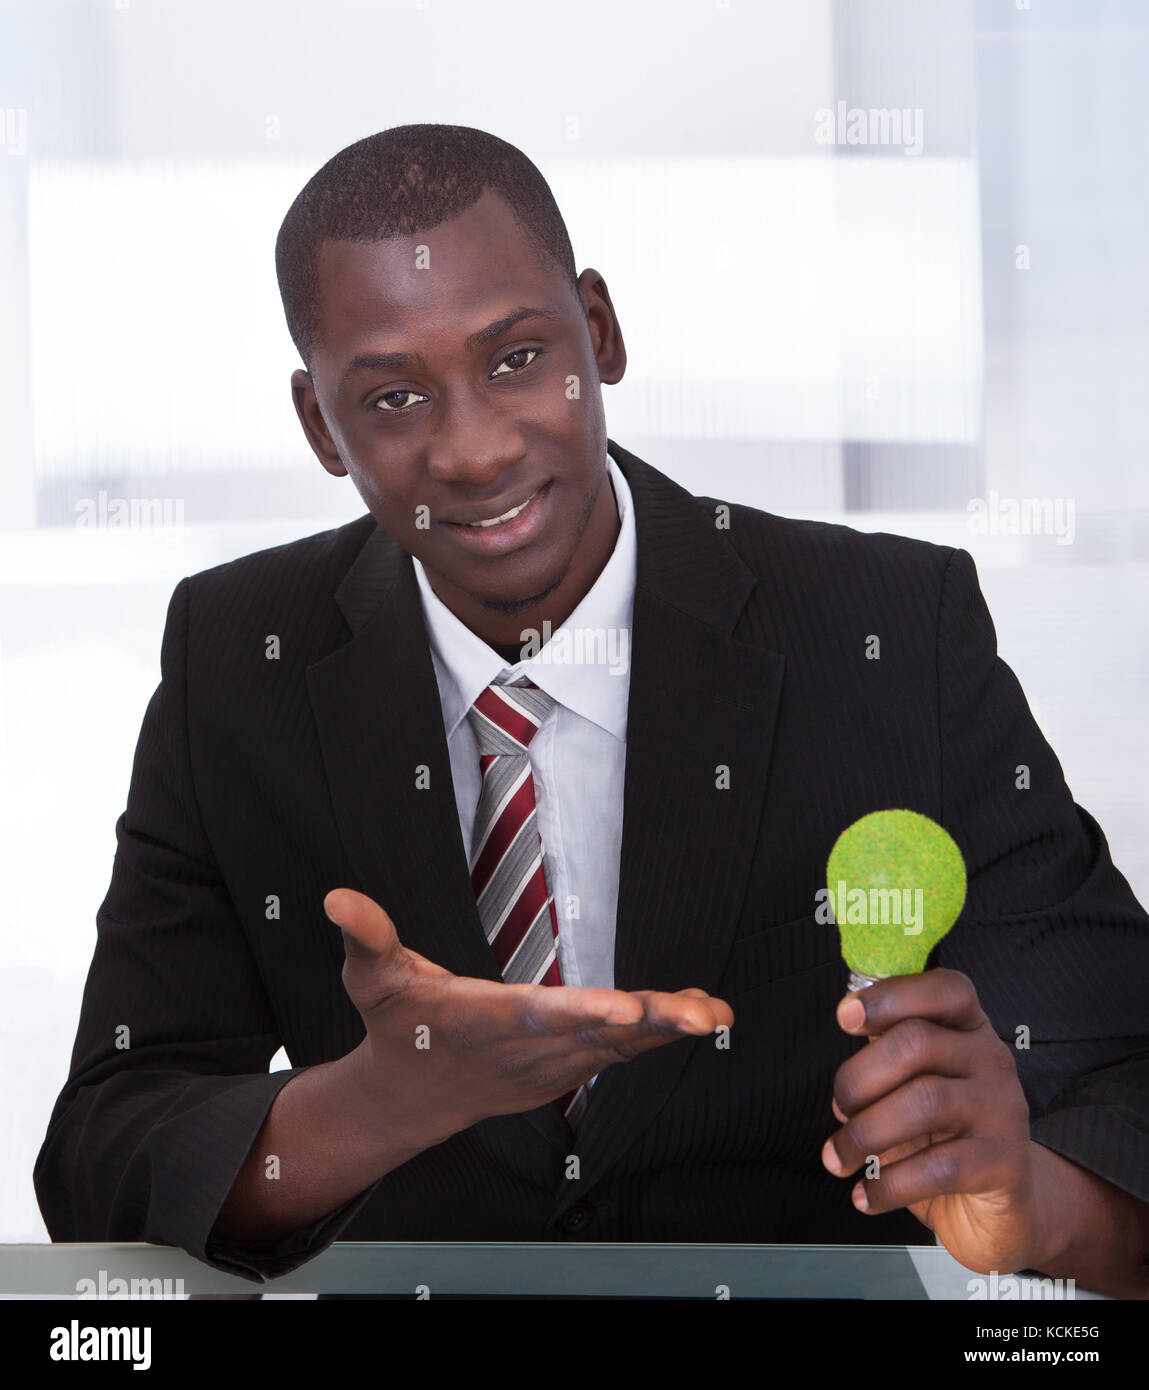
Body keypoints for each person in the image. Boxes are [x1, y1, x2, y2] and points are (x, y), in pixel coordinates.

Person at [34, 125, 1149, 1296]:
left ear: (599, 333)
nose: (472, 449)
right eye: (396, 395)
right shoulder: (237, 658)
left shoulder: (882, 629)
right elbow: (105, 1152)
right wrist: (377, 1103)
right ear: (321, 426)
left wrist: (1041, 1204)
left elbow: (1125, 1067)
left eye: (516, 358)